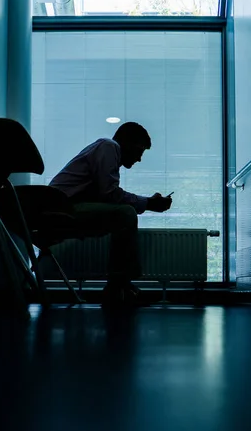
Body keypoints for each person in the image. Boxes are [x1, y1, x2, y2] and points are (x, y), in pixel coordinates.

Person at [49, 122, 172, 306]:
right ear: (127, 143)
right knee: (126, 214)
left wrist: (147, 203)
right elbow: (110, 194)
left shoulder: (105, 149)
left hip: (61, 206)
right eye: (139, 150)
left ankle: (120, 285)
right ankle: (119, 286)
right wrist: (148, 203)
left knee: (124, 214)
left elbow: (106, 195)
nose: (139, 158)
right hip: (61, 209)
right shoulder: (110, 147)